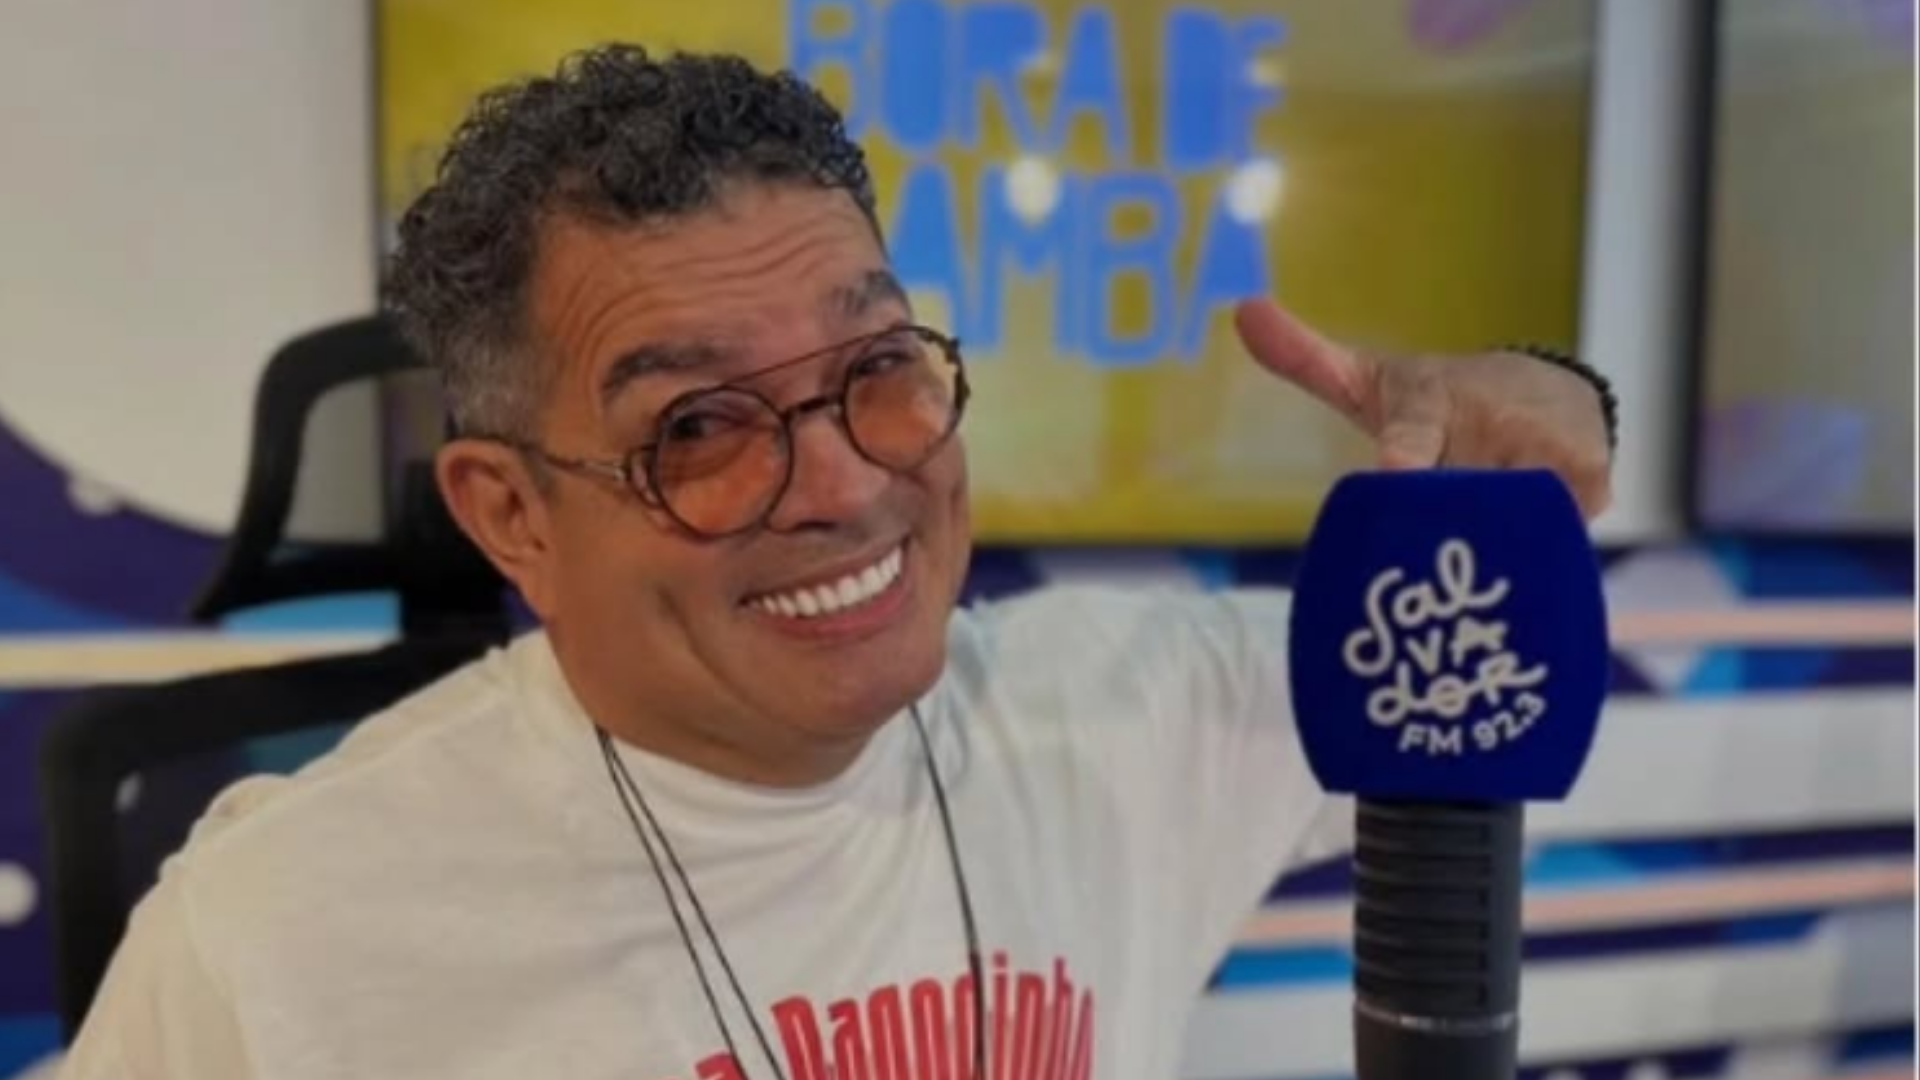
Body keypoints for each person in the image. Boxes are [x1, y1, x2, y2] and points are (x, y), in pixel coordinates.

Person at [60, 45, 1614, 1080]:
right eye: (698, 427)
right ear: (512, 516)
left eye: (879, 368)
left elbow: (1482, 655)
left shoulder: (1124, 711)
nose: (848, 481)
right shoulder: (271, 946)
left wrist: (1555, 397)